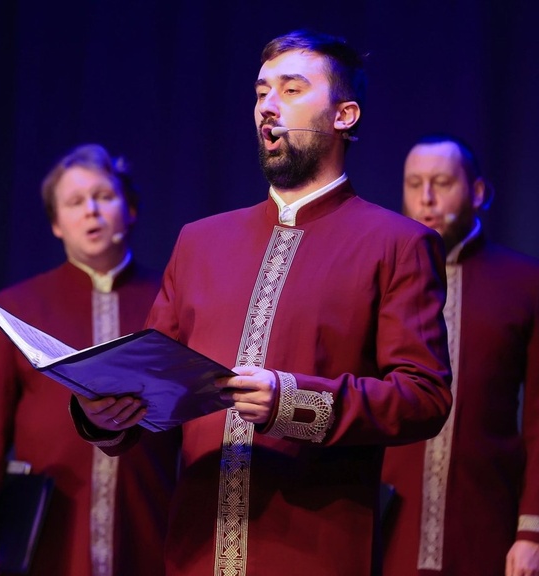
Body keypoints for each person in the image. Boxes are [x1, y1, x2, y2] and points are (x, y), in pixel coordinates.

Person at [71, 30, 454, 576]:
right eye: (260, 93)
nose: (267, 106)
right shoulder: (200, 242)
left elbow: (423, 397)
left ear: (344, 115)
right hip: (196, 551)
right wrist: (104, 413)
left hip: (312, 552)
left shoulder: (396, 243)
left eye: (291, 90)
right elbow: (154, 388)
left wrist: (291, 399)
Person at [0, 144, 180, 576]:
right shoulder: (19, 306)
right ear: (56, 224)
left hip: (149, 514)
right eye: (75, 202)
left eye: (104, 197)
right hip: (52, 522)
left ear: (130, 209)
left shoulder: (169, 300)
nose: (91, 211)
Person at [381, 134, 539, 576]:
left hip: (485, 523)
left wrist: (534, 532)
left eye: (442, 182)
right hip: (387, 524)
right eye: (414, 184)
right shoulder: (382, 278)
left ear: (478, 192)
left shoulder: (524, 283)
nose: (426, 198)